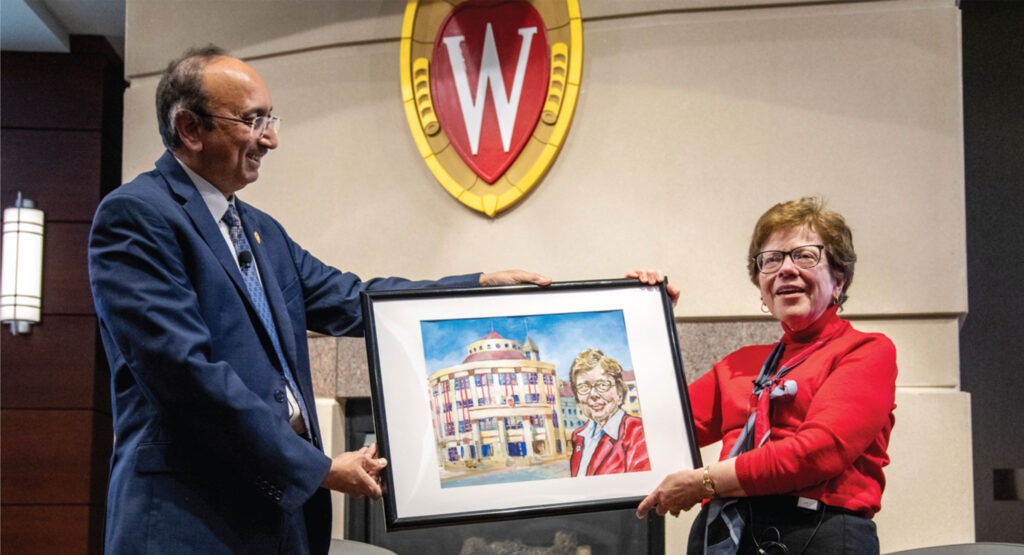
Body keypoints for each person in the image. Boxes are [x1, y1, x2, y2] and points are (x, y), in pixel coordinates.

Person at [88, 45, 550, 555]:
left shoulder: (261, 232)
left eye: (271, 118)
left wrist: (475, 288)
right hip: (190, 519)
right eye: (253, 120)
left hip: (277, 521)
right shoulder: (136, 217)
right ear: (190, 128)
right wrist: (321, 467)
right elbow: (187, 375)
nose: (272, 138)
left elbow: (354, 301)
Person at [635, 197, 897, 554]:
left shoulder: (865, 351)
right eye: (771, 260)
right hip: (722, 538)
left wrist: (704, 482)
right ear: (761, 287)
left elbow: (814, 455)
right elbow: (645, 428)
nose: (785, 269)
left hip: (816, 536)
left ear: (839, 279)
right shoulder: (738, 365)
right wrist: (646, 321)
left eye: (805, 255)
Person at [568, 348, 651, 477]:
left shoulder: (637, 432)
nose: (593, 394)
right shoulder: (579, 436)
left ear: (619, 392)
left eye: (602, 385)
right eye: (584, 387)